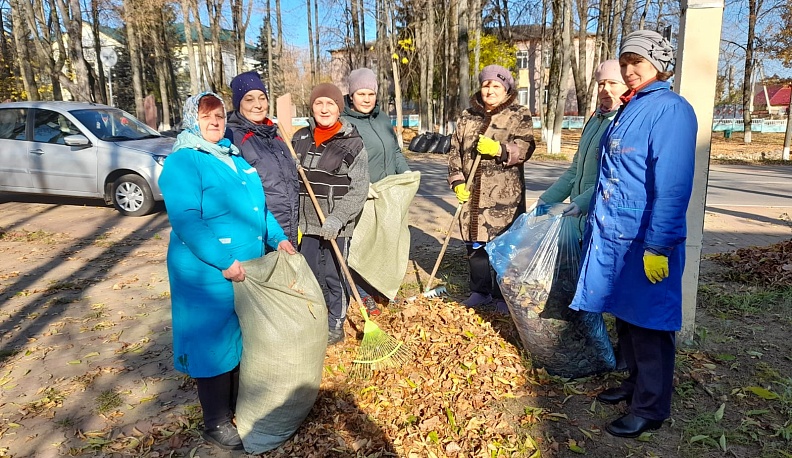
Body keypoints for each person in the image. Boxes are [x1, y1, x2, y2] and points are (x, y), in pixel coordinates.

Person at [568, 30, 697, 438]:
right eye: (624, 63)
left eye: (637, 62)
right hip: (617, 236)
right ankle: (634, 385)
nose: (628, 70)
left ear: (659, 64)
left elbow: (673, 185)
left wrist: (659, 245)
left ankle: (651, 407)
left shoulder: (670, 110)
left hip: (646, 240)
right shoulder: (631, 106)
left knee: (650, 325)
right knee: (626, 316)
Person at [159, 92, 296, 451]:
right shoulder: (184, 161)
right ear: (193, 119)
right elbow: (187, 220)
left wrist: (278, 238)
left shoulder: (233, 157)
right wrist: (224, 261)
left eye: (220, 115)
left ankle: (234, 404)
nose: (216, 122)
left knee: (237, 336)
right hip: (207, 271)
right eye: (207, 116)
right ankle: (216, 421)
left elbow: (258, 207)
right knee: (213, 342)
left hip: (243, 267)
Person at [447, 64, 536, 313]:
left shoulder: (518, 113)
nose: (490, 89)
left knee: (503, 244)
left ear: (505, 89)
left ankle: (502, 295)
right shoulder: (467, 116)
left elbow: (527, 146)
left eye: (496, 85)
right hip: (472, 193)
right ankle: (480, 290)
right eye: (486, 84)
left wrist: (500, 150)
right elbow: (454, 151)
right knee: (475, 243)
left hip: (503, 198)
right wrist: (457, 182)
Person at [293, 83, 369, 346]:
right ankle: (313, 320)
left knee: (335, 275)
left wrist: (338, 218)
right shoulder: (299, 139)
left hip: (337, 223)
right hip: (308, 223)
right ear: (312, 107)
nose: (324, 109)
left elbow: (359, 188)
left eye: (330, 104)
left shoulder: (352, 143)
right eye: (318, 104)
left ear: (339, 108)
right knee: (310, 274)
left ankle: (336, 323)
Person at [341, 67, 411, 315]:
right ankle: (362, 293)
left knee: (385, 241)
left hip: (387, 194)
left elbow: (395, 152)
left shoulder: (382, 119)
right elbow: (341, 161)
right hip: (363, 194)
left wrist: (405, 173)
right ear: (351, 95)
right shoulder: (344, 123)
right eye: (361, 93)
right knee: (363, 244)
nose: (367, 99)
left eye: (370, 93)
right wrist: (359, 185)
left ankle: (381, 287)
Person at [537, 59, 628, 241]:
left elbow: (615, 178)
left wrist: (581, 203)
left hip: (604, 219)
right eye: (601, 84)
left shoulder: (624, 123)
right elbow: (574, 170)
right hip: (580, 217)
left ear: (626, 85)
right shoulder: (595, 120)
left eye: (613, 83)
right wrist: (546, 199)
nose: (605, 89)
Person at [226, 70, 300, 247]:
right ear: (238, 104)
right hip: (260, 233)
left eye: (262, 98)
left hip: (290, 227)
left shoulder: (276, 135)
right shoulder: (233, 138)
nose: (258, 105)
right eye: (249, 99)